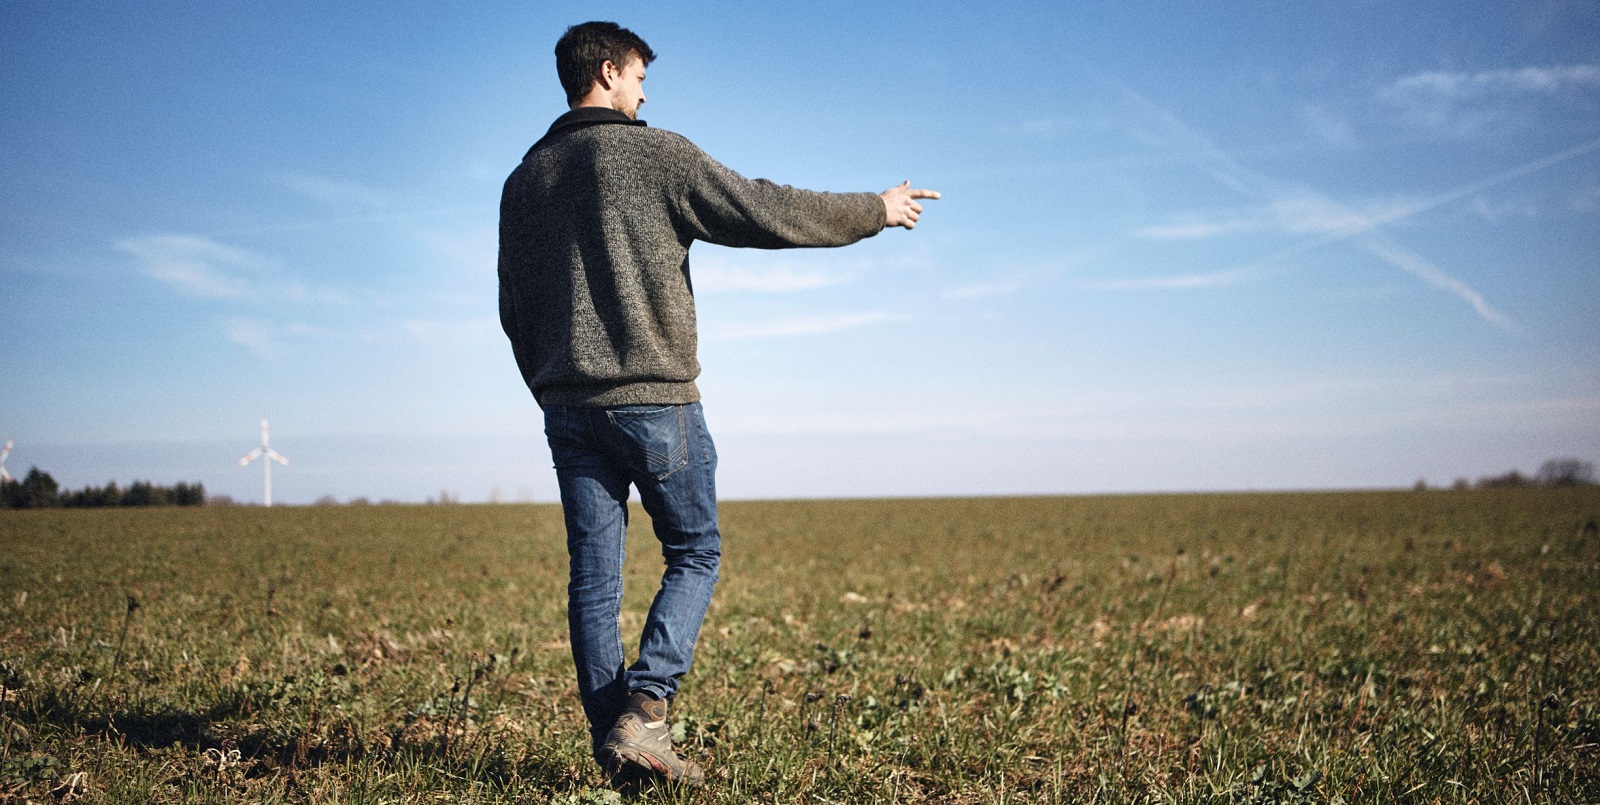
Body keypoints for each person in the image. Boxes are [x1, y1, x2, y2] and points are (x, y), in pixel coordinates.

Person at [497, 20, 939, 788]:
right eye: (638, 78)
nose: (643, 92)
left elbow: (514, 305)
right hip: (657, 399)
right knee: (696, 550)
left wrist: (549, 384)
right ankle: (647, 708)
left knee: (593, 580)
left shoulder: (523, 181)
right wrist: (875, 208)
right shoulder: (653, 153)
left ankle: (622, 750)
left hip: (568, 407)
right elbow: (761, 208)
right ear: (606, 72)